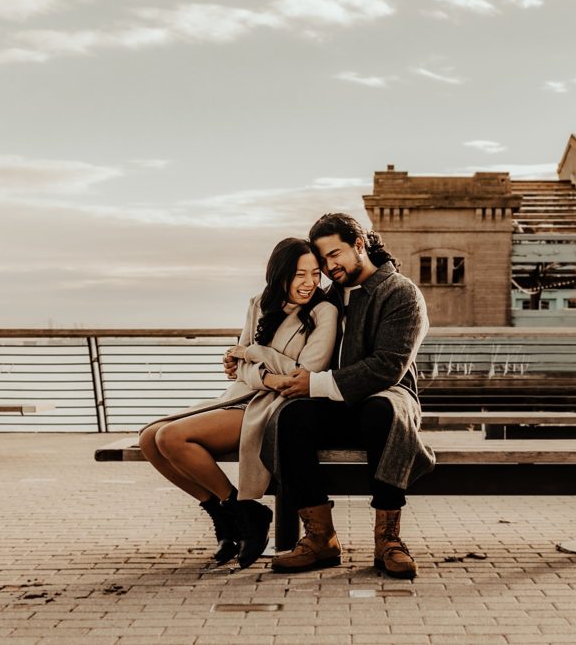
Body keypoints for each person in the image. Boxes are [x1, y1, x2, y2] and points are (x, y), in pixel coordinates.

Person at [139, 237, 338, 569]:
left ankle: (246, 512)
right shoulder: (260, 302)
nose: (309, 283)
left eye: (316, 274)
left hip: (273, 405)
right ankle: (226, 519)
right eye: (300, 274)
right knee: (149, 439)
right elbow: (239, 364)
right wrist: (262, 371)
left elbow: (305, 372)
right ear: (279, 274)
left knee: (170, 437)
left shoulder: (323, 312)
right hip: (243, 395)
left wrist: (253, 356)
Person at [259, 213, 435, 579]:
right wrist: (248, 361)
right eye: (322, 259)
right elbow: (283, 338)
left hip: (387, 400)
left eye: (334, 254)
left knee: (380, 411)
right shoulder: (327, 298)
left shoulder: (400, 292)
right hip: (334, 405)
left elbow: (388, 366)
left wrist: (314, 385)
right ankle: (321, 539)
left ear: (359, 244)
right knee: (290, 418)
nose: (329, 266)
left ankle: (388, 541)